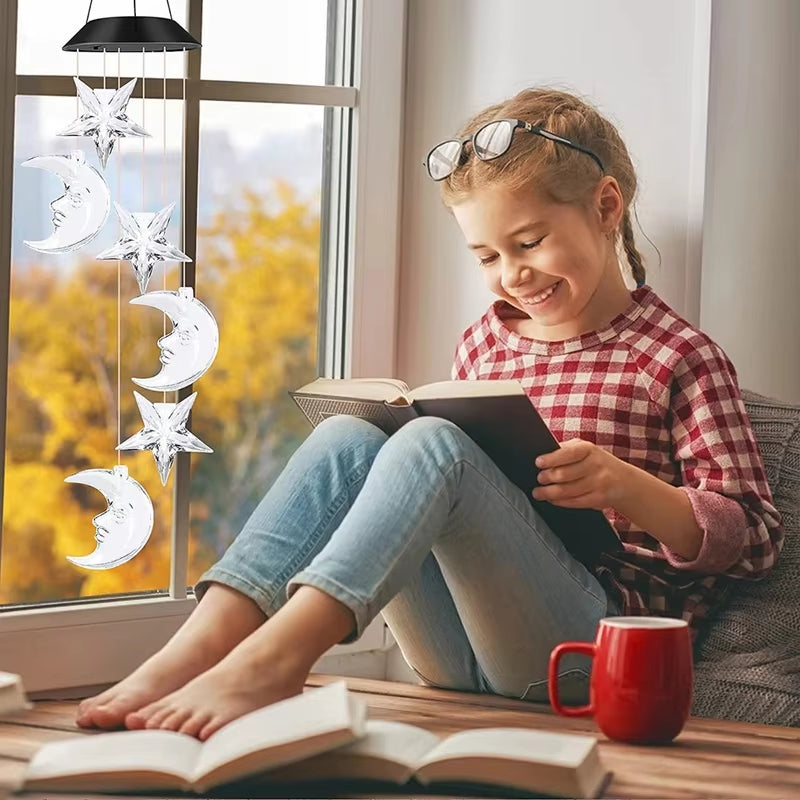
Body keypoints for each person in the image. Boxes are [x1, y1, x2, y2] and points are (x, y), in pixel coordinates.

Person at [76, 87, 784, 741]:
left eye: (530, 242)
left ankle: (276, 659)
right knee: (350, 434)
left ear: (605, 207)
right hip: (458, 650)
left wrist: (630, 488)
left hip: (585, 652)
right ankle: (195, 650)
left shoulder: (678, 356)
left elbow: (753, 539)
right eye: (487, 255)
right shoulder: (484, 340)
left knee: (434, 445)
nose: (513, 274)